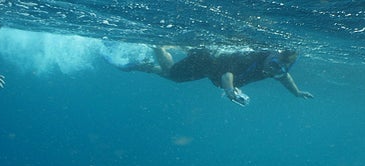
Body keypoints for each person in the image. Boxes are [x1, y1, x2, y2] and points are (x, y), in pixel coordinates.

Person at [121, 46, 313, 106]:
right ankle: (158, 45)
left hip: (209, 70)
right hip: (207, 62)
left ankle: (143, 66)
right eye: (274, 65)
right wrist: (230, 91)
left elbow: (284, 78)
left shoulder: (274, 68)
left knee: (174, 77)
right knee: (173, 74)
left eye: (280, 68)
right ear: (273, 55)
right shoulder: (252, 57)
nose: (273, 71)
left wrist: (296, 93)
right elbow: (227, 75)